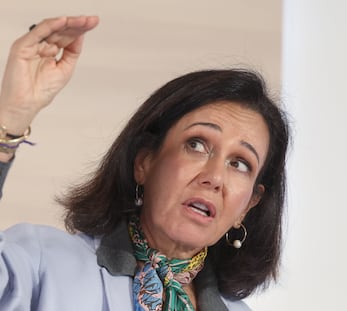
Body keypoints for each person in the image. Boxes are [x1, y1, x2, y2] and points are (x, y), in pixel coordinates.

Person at [0, 16, 289, 311]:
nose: (214, 177)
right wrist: (8, 119)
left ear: (249, 205)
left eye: (240, 164)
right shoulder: (41, 261)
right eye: (197, 145)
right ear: (144, 162)